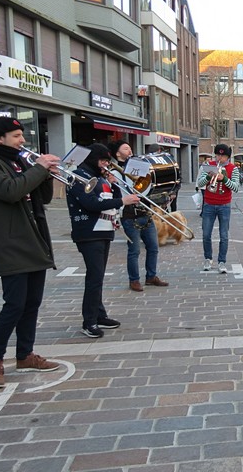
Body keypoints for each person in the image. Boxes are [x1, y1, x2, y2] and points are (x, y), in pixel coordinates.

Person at [0, 117, 61, 388]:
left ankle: (25, 354)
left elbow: (41, 198)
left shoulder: (20, 161)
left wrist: (46, 173)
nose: (22, 140)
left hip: (34, 239)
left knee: (32, 303)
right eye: (16, 136)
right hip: (10, 242)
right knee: (14, 304)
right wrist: (38, 168)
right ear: (0, 138)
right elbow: (10, 191)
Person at [67, 144, 141, 338]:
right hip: (89, 232)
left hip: (103, 230)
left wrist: (114, 185)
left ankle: (99, 315)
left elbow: (109, 198)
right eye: (103, 161)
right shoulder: (79, 176)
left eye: (108, 161)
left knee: (98, 278)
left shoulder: (100, 178)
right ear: (93, 159)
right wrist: (122, 202)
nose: (106, 165)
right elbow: (91, 203)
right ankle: (89, 321)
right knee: (94, 278)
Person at [108, 140, 169, 292]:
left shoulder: (137, 167)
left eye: (130, 147)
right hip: (129, 214)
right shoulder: (114, 173)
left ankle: (151, 276)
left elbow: (147, 187)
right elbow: (117, 195)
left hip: (145, 211)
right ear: (117, 153)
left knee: (153, 247)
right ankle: (134, 280)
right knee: (134, 250)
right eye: (125, 148)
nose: (129, 150)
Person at [197, 144, 239, 273]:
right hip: (209, 204)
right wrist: (210, 176)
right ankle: (208, 258)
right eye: (218, 155)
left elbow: (236, 187)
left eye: (223, 155)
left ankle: (222, 261)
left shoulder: (233, 168)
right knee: (206, 234)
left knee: (224, 235)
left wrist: (224, 178)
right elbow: (199, 183)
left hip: (224, 205)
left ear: (228, 157)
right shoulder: (208, 165)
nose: (220, 158)